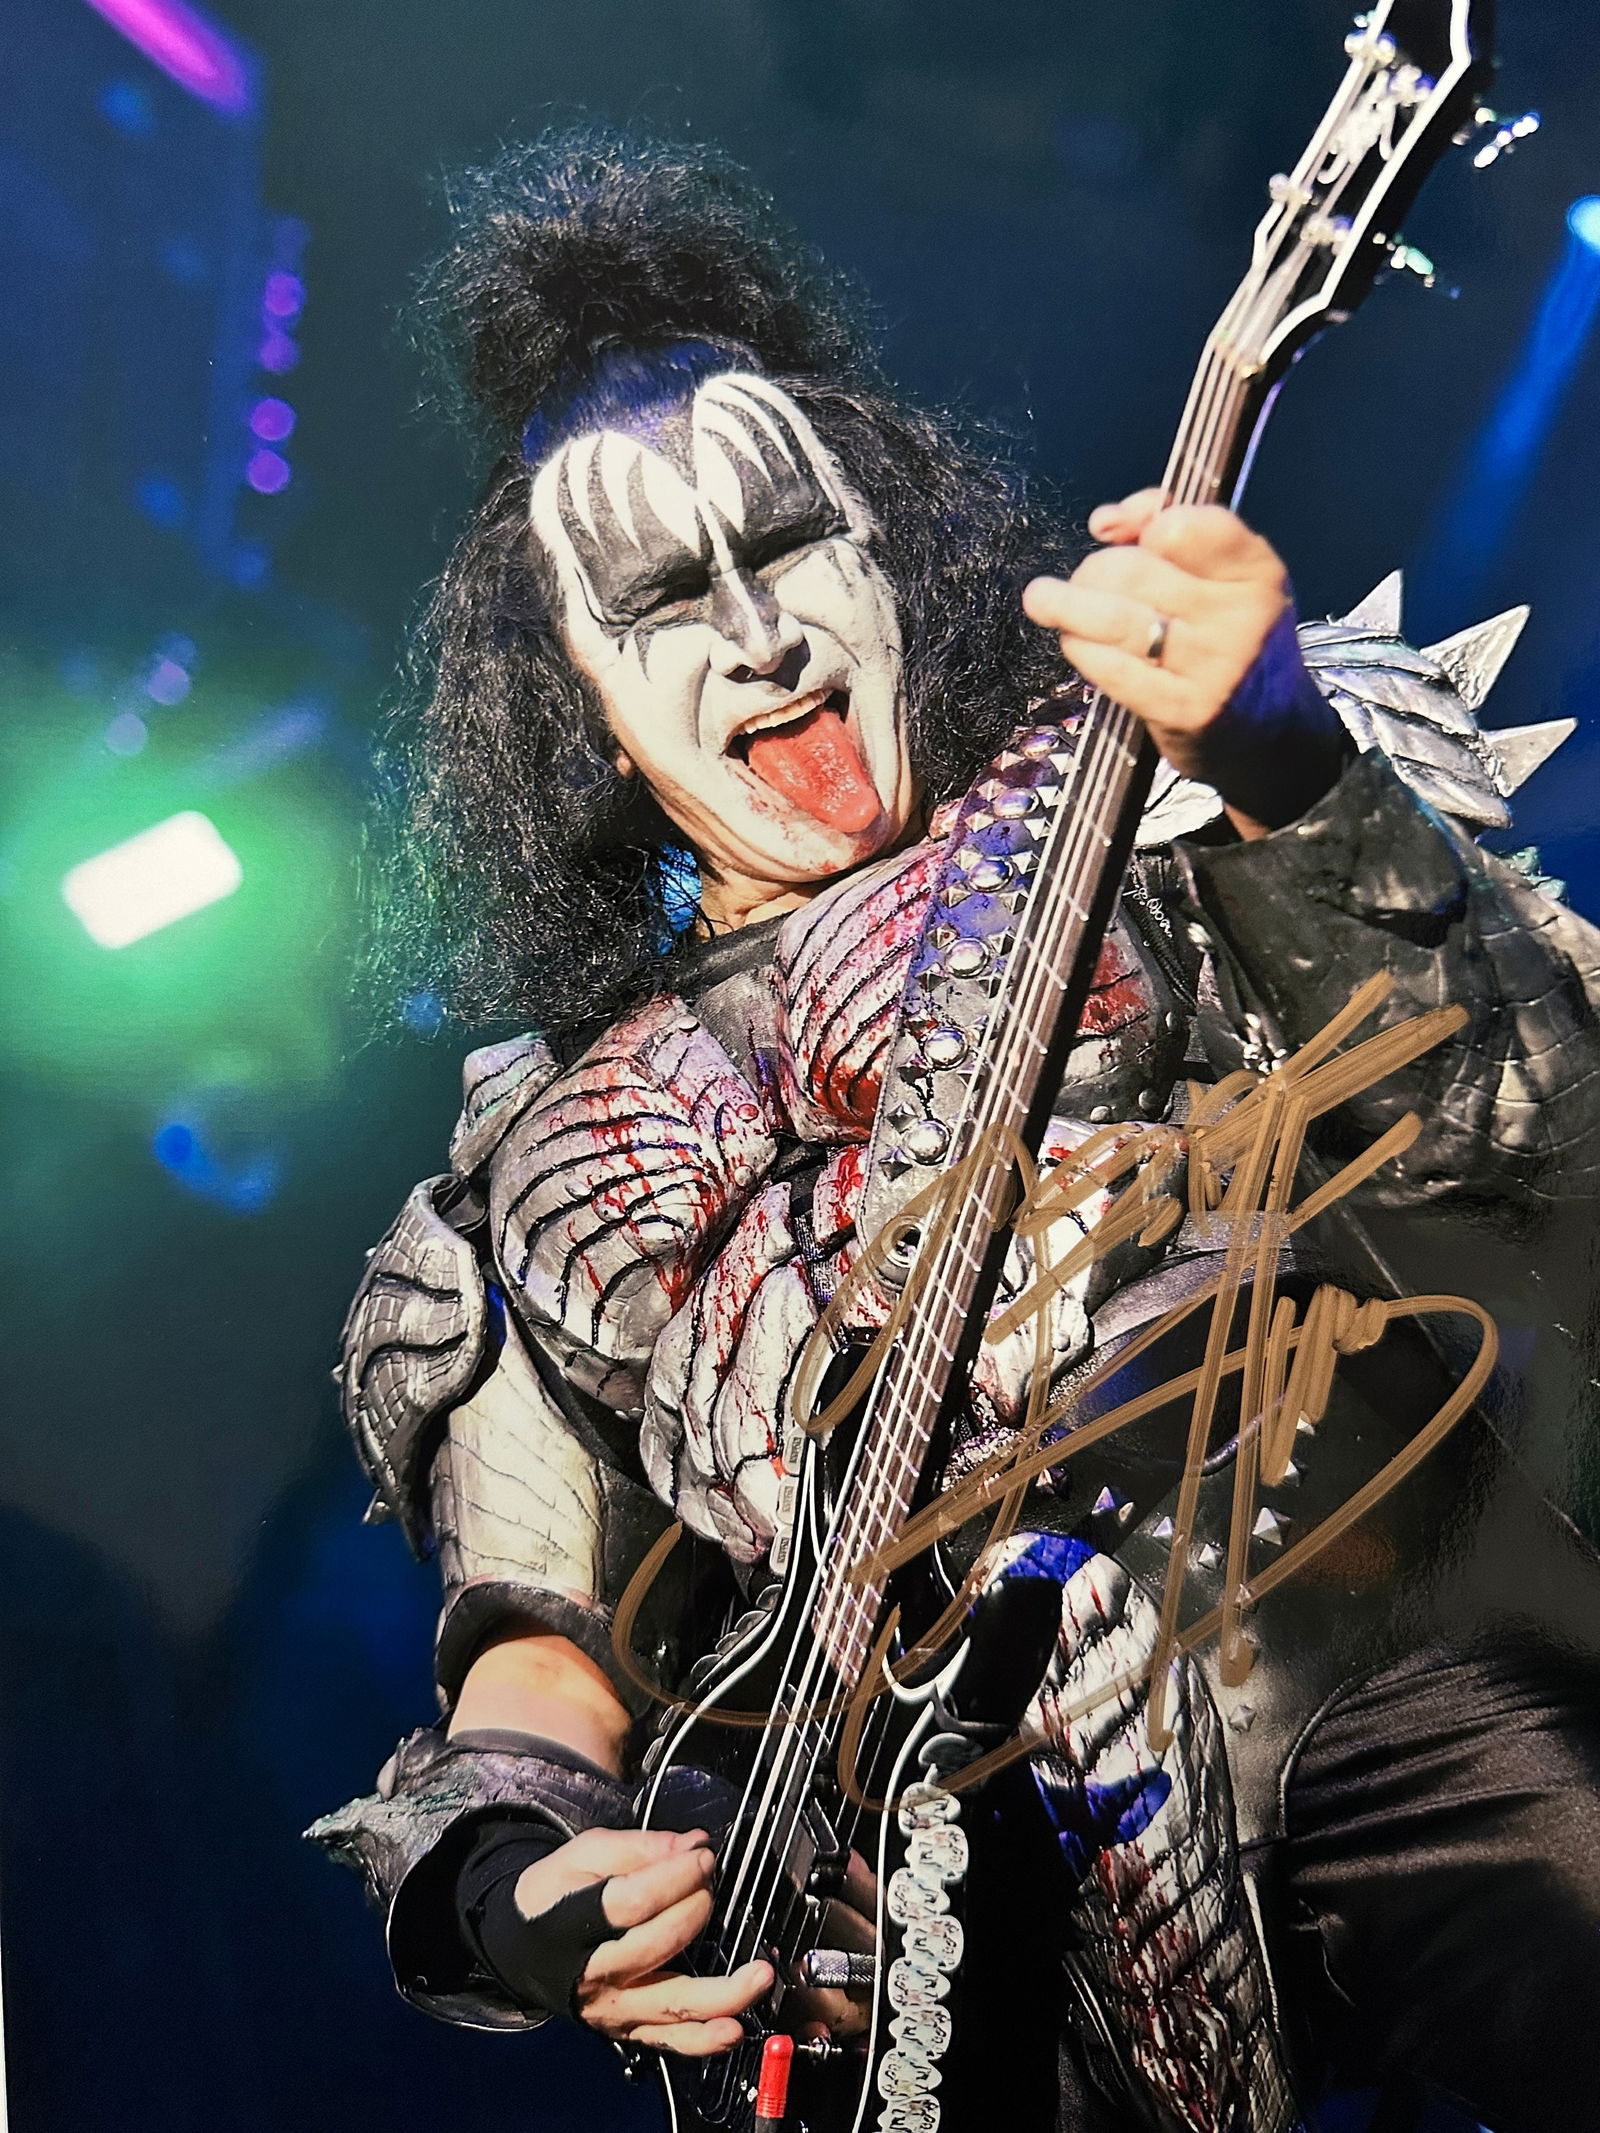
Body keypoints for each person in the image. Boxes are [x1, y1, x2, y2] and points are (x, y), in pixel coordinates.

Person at [311, 134, 1600, 2133]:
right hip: (899, 1943)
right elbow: (536, 1660)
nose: (760, 633)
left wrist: (1285, 763)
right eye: (664, 598)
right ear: (575, 698)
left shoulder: (1166, 803)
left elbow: (1541, 1141)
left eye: (791, 545)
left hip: (1371, 1696)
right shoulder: (534, 1168)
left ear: (891, 549)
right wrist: (522, 1892)